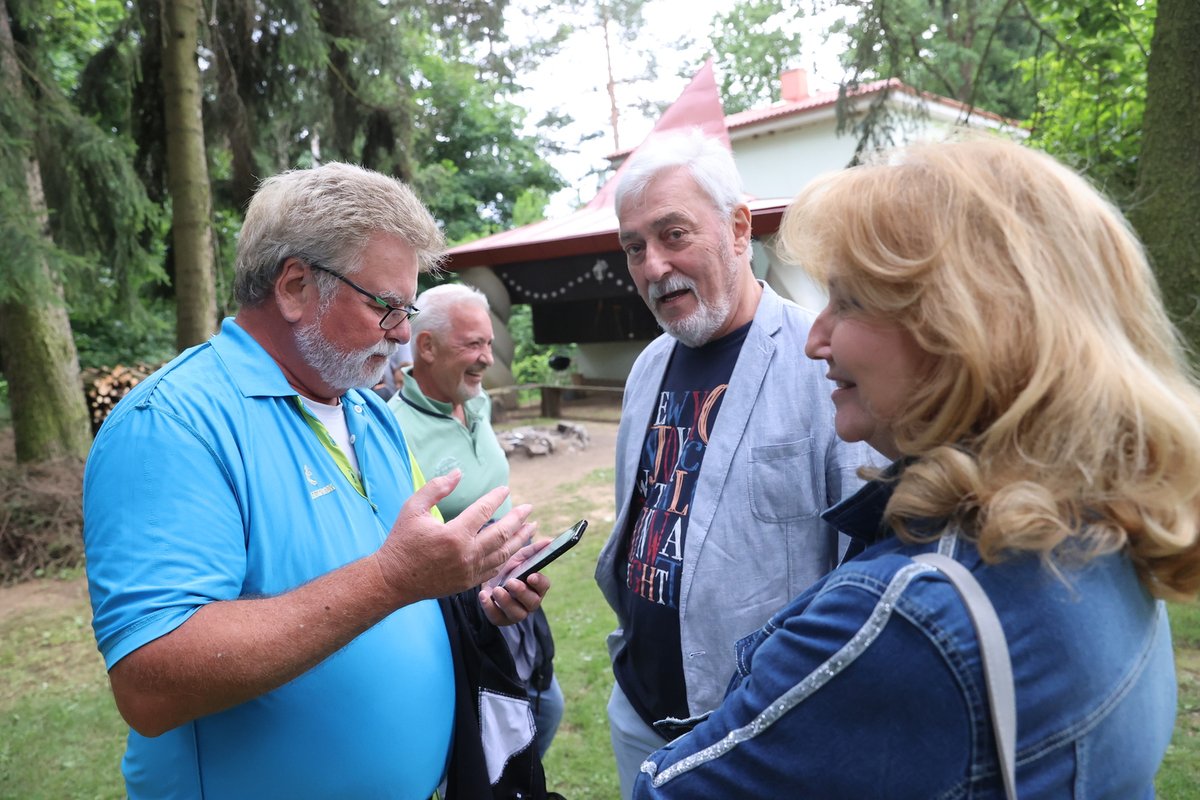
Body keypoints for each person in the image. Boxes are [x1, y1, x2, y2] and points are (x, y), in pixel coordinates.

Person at [633, 137, 1200, 798]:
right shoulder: (1100, 521)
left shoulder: (909, 620)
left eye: (848, 301)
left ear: (968, 325)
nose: (819, 338)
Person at [82, 162, 552, 800]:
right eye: (385, 306)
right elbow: (151, 682)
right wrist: (390, 581)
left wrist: (477, 586)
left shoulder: (365, 412)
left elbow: (418, 565)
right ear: (296, 286)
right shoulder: (171, 424)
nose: (404, 334)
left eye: (407, 308)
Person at [594, 127, 881, 798]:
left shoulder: (822, 365)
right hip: (637, 709)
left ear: (738, 227)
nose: (654, 267)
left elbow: (862, 564)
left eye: (673, 235)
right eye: (634, 248)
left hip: (758, 727)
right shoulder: (646, 367)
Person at [388, 282, 564, 759]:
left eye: (489, 343)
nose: (487, 357)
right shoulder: (393, 430)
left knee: (546, 708)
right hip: (466, 611)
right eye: (473, 344)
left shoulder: (477, 402)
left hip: (514, 588)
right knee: (494, 735)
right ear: (426, 346)